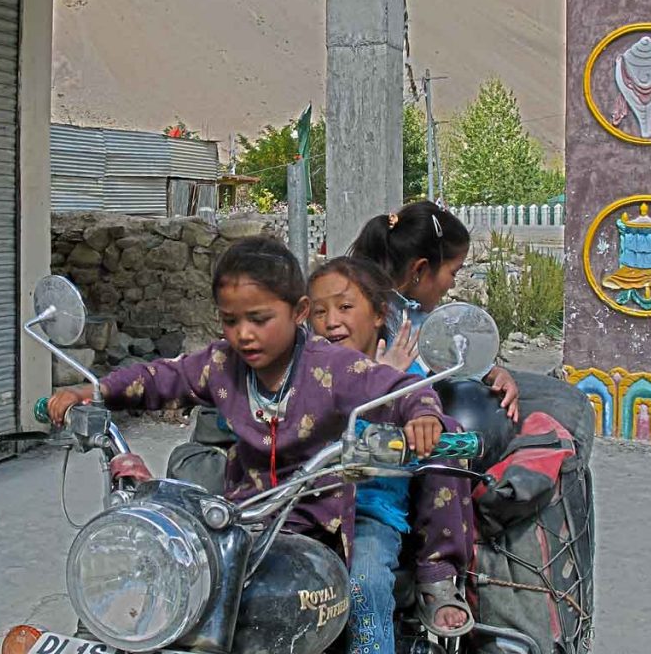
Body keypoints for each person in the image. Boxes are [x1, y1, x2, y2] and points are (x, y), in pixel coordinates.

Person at [47, 236, 449, 584]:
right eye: (230, 320)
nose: (243, 334)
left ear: (299, 311)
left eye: (259, 319)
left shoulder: (332, 367)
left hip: (319, 525)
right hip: (243, 517)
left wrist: (423, 417)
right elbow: (162, 377)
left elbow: (399, 388)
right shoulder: (221, 363)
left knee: (363, 589)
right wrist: (96, 390)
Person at [309, 257, 476, 649]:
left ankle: (436, 572)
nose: (332, 321)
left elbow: (426, 413)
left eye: (345, 308)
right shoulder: (303, 374)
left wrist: (383, 384)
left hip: (368, 516)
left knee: (364, 585)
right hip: (304, 510)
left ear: (379, 313)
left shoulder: (406, 380)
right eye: (319, 312)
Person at [350, 200, 520, 421]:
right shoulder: (368, 323)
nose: (452, 284)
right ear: (420, 269)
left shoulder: (418, 317)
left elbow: (449, 356)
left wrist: (493, 373)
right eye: (453, 272)